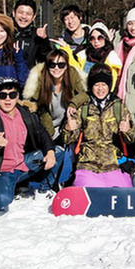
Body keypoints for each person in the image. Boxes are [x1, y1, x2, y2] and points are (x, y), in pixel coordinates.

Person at [0, 78, 59, 214]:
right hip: (3, 171)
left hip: (23, 164)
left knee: (57, 151)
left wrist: (50, 151)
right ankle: (9, 188)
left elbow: (42, 133)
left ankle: (43, 189)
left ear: (17, 96)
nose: (8, 99)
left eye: (12, 95)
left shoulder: (25, 113)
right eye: (3, 95)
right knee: (1, 203)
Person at [62, 64, 135, 187]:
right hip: (87, 164)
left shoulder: (118, 108)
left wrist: (127, 131)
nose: (100, 89)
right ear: (91, 86)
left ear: (109, 86)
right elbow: (68, 139)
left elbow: (130, 140)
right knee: (89, 192)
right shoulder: (83, 108)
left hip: (114, 164)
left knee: (123, 193)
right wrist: (69, 129)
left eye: (104, 85)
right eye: (97, 85)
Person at [23, 48, 87, 186]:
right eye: (52, 64)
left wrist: (73, 103)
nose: (56, 68)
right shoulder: (41, 80)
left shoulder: (72, 75)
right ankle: (40, 183)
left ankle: (55, 183)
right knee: (50, 153)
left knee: (66, 153)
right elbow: (36, 107)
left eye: (61, 64)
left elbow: (84, 94)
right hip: (47, 126)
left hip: (65, 124)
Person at [64, 21, 122, 87]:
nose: (96, 41)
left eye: (100, 38)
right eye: (92, 38)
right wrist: (66, 49)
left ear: (106, 38)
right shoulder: (84, 54)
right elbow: (76, 70)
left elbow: (112, 83)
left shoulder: (111, 57)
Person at [13, 0, 50, 67]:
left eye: (28, 14)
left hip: (28, 76)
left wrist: (44, 40)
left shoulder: (37, 35)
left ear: (33, 17)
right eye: (20, 12)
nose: (24, 16)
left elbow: (46, 60)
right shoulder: (5, 32)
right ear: (14, 13)